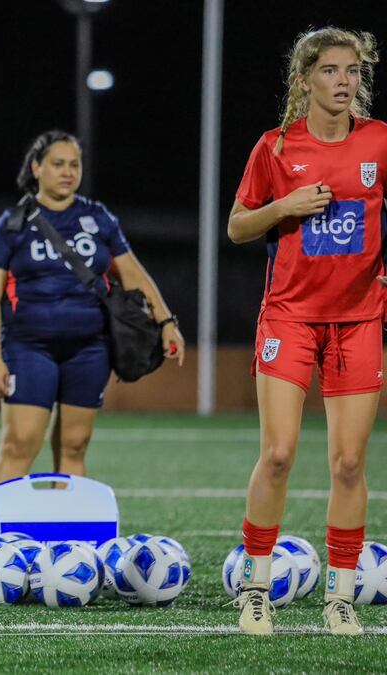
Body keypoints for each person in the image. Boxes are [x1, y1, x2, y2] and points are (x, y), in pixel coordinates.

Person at [228, 27, 385, 636]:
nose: (344, 81)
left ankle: (340, 599)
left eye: (352, 71)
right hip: (290, 318)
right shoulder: (274, 147)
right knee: (279, 452)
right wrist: (283, 208)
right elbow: (239, 227)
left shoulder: (379, 142)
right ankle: (256, 589)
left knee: (349, 462)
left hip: (359, 320)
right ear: (304, 80)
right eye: (331, 71)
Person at [0, 130, 184, 485]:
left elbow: (133, 273)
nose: (68, 172)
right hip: (28, 347)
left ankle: (66, 535)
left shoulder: (98, 218)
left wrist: (166, 321)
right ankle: (2, 539)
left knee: (74, 445)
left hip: (90, 348)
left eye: (74, 164)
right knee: (20, 442)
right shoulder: (11, 225)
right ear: (37, 168)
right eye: (58, 164)